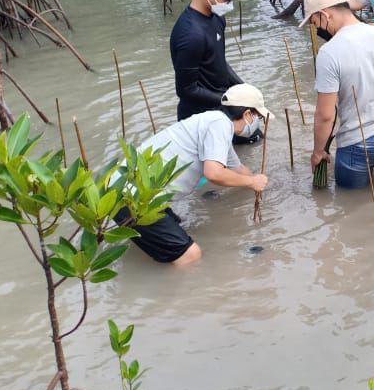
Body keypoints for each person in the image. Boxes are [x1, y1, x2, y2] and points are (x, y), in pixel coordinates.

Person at [113, 84, 272, 266]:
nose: (256, 122)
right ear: (247, 115)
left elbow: (236, 168)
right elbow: (214, 173)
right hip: (134, 198)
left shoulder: (213, 122)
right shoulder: (219, 125)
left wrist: (260, 182)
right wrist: (252, 182)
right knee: (191, 255)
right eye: (258, 116)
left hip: (123, 190)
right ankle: (181, 292)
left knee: (178, 226)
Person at [302, 0, 374, 189]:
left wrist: (318, 153)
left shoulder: (329, 53)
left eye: (315, 23)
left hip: (357, 144)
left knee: (348, 206)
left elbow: (325, 115)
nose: (317, 30)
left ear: (325, 15)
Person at [169, 0, 254, 132]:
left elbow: (220, 62)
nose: (230, 4)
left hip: (219, 103)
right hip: (198, 116)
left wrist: (245, 90)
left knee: (254, 133)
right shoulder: (190, 35)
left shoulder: (217, 18)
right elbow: (186, 90)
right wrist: (229, 100)